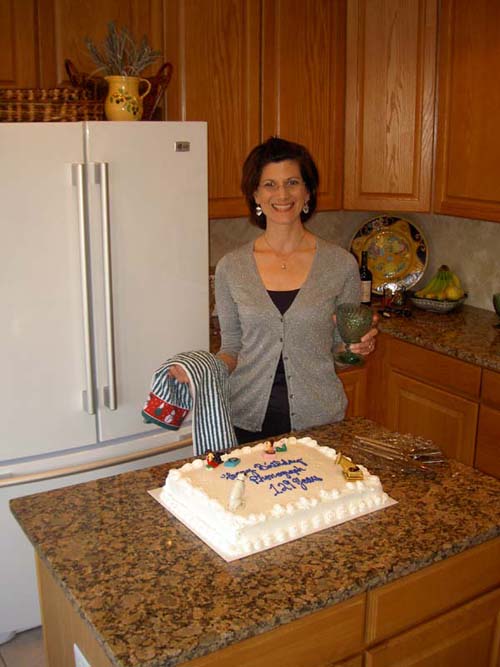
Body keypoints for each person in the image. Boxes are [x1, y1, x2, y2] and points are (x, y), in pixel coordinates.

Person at [170, 137, 378, 444]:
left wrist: (355, 349)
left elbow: (339, 352)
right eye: (269, 184)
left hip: (319, 422)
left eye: (292, 182)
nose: (282, 194)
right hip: (244, 421)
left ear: (308, 192)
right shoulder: (231, 268)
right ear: (255, 194)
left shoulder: (340, 265)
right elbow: (231, 350)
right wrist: (202, 370)